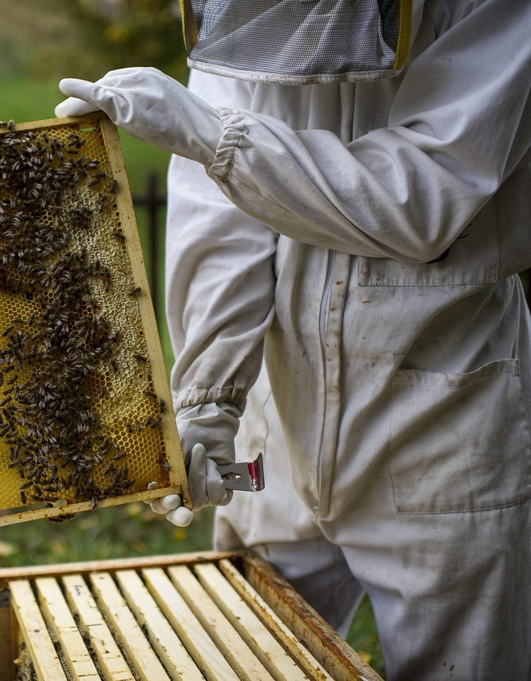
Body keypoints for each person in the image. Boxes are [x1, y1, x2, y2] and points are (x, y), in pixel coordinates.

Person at [55, 0, 531, 678]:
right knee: (249, 655)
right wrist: (209, 395)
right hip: (273, 419)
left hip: (437, 414)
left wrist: (214, 138)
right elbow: (225, 208)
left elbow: (423, 196)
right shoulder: (249, 8)